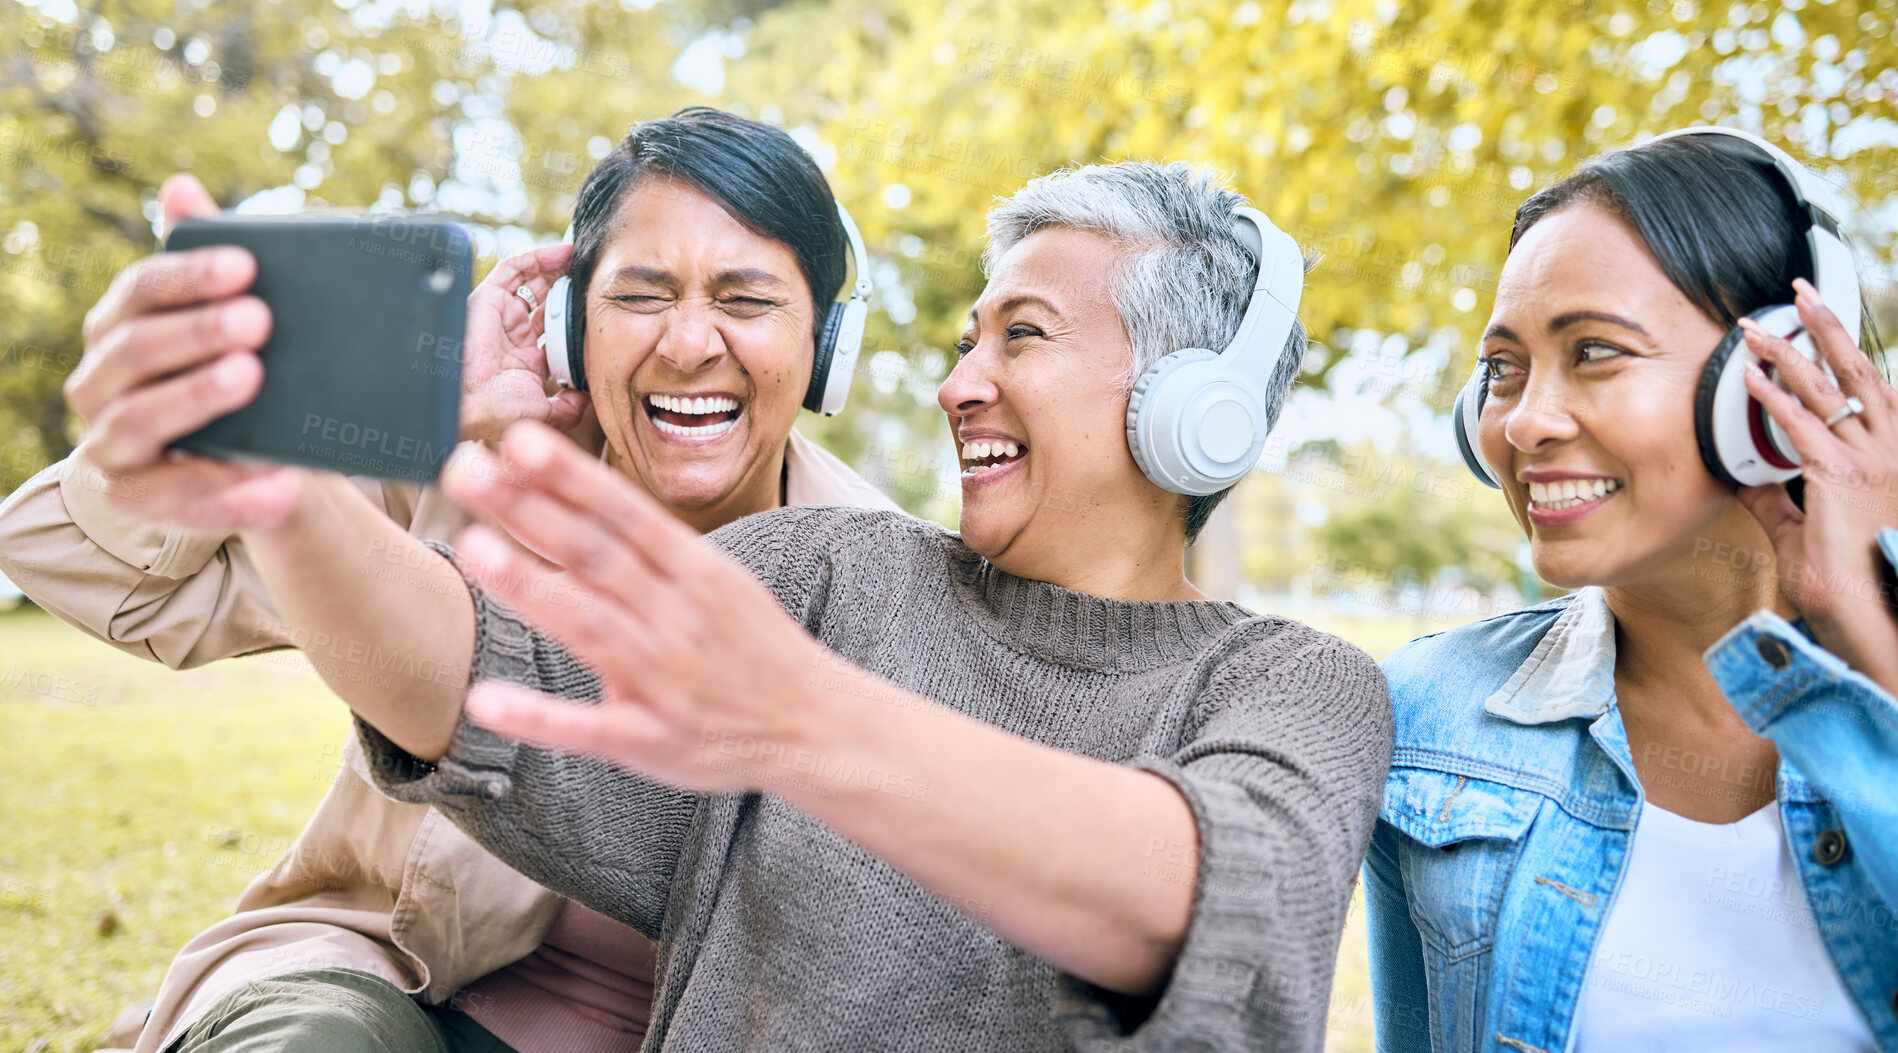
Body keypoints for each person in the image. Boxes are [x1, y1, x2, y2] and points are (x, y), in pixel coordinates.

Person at [144, 160, 1393, 1050]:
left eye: (1020, 336)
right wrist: (288, 486)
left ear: (1190, 408)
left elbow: (1191, 903)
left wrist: (809, 720)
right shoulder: (831, 570)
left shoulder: (1297, 684)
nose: (960, 383)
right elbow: (485, 701)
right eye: (966, 339)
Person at [0, 106, 900, 1053]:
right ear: (569, 327)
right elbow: (68, 558)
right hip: (370, 973)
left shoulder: (886, 581)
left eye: (746, 300)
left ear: (825, 347)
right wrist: (423, 404)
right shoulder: (462, 470)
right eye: (640, 295)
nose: (687, 344)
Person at [1364, 128, 1898, 1052]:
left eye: (1596, 351)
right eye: (1502, 369)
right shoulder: (1425, 715)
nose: (1526, 421)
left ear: (1774, 375)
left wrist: (1866, 631)